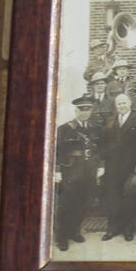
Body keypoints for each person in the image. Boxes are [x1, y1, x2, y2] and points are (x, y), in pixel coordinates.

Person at [99, 94, 136, 242]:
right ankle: (113, 228)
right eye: (119, 103)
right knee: (113, 199)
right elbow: (105, 145)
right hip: (112, 167)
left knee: (130, 199)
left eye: (124, 103)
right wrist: (101, 164)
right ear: (116, 105)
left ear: (130, 103)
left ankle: (128, 229)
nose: (121, 106)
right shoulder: (109, 121)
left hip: (131, 167)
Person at [54, 96, 102, 251]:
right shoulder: (65, 129)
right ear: (76, 111)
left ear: (91, 111)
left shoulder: (96, 127)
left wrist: (101, 166)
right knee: (66, 205)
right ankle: (62, 237)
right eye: (81, 110)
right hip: (71, 172)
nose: (84, 113)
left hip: (88, 171)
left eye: (87, 110)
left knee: (82, 204)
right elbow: (57, 152)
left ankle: (75, 231)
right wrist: (57, 172)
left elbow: (99, 149)